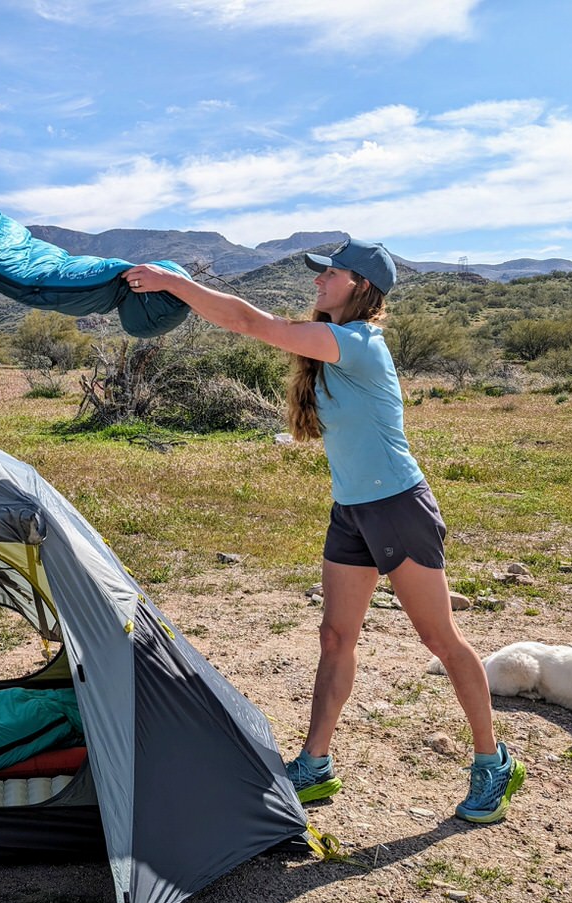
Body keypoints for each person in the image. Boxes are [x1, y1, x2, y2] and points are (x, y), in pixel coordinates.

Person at [122, 239, 524, 824]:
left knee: (440, 640)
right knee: (335, 638)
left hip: (397, 508)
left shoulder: (359, 344)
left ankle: (493, 762)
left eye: (329, 272)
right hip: (353, 511)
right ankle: (315, 765)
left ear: (360, 285)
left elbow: (244, 320)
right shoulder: (332, 345)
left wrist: (172, 284)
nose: (318, 281)